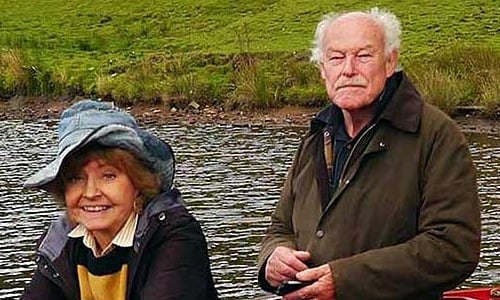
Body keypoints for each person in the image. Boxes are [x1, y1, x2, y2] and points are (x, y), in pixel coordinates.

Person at [257, 7, 481, 300]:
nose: (348, 69)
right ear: (323, 69)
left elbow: (454, 247)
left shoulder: (436, 134)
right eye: (336, 58)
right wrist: (271, 259)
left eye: (363, 55)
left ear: (390, 62)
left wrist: (345, 281)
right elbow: (280, 227)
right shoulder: (315, 136)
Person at [21, 100, 219, 300]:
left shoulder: (173, 234)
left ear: (138, 183)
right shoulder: (61, 242)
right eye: (76, 178)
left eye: (108, 176)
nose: (90, 193)